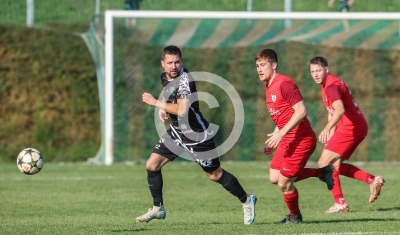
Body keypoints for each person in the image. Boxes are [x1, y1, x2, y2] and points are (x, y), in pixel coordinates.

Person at [138, 45, 257, 225]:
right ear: (162, 64)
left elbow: (183, 109)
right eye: (169, 62)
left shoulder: (185, 80)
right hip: (178, 133)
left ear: (182, 62)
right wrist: (163, 106)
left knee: (215, 175)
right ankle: (158, 208)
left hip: (197, 136)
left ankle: (247, 200)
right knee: (152, 165)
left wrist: (155, 103)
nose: (174, 66)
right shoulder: (165, 76)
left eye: (177, 62)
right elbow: (168, 93)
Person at [255, 49, 332, 224]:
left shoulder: (284, 83)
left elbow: (301, 111)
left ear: (274, 65)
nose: (259, 69)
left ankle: (295, 216)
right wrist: (276, 134)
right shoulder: (269, 85)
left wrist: (281, 133)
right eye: (257, 66)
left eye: (263, 65)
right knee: (275, 177)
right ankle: (322, 173)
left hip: (302, 140)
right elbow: (284, 113)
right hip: (287, 138)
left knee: (284, 183)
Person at [308, 56, 385, 213]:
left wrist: (327, 129)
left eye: (318, 70)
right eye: (312, 71)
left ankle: (340, 204)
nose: (315, 74)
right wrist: (332, 130)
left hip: (351, 127)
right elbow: (332, 111)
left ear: (326, 69)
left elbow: (340, 109)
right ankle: (372, 180)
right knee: (335, 166)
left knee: (324, 163)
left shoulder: (330, 86)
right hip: (355, 126)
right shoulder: (329, 83)